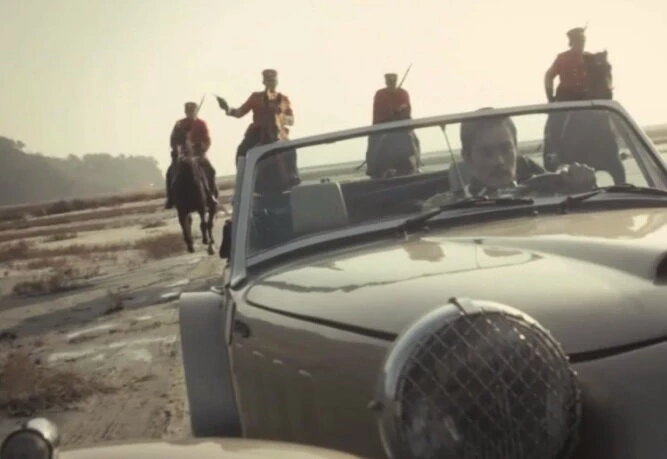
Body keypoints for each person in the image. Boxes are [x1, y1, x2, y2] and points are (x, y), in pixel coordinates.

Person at [423, 113, 596, 208]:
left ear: (516, 149)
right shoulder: (446, 207)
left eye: (506, 149)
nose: (499, 161)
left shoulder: (547, 192)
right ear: (468, 158)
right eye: (487, 152)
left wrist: (580, 183)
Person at [217, 69, 294, 165]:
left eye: (273, 81)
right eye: (269, 81)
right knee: (242, 152)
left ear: (277, 82)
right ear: (264, 82)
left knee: (291, 152)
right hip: (257, 135)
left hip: (277, 134)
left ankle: (292, 174)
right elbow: (239, 113)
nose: (271, 83)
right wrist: (227, 109)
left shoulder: (283, 99)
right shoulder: (255, 97)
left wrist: (280, 118)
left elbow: (291, 120)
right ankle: (242, 174)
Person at [165, 101, 216, 209]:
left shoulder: (201, 124)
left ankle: (211, 194)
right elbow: (173, 140)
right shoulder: (179, 124)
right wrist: (178, 150)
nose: (190, 113)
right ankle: (170, 198)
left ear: (196, 111)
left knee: (211, 171)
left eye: (192, 111)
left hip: (198, 154)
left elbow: (207, 140)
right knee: (170, 172)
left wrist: (202, 149)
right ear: (185, 112)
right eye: (188, 111)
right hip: (183, 155)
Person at [544, 27, 591, 103]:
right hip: (565, 100)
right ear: (571, 43)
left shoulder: (590, 59)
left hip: (585, 101)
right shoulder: (562, 58)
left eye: (582, 41)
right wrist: (550, 98)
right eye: (578, 41)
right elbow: (548, 76)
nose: (581, 44)